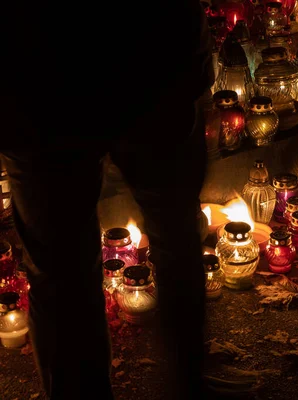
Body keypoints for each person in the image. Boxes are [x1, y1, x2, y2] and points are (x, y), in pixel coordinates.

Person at [1, 1, 213, 399]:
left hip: (36, 73)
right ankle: (187, 382)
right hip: (152, 51)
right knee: (174, 233)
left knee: (61, 272)